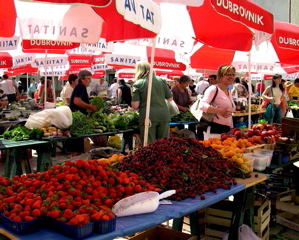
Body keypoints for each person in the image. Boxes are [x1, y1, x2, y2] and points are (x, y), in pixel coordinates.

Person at [132, 61, 173, 145]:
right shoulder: (161, 80)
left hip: (148, 116)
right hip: (163, 115)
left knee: (149, 145)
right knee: (163, 145)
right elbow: (170, 98)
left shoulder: (138, 83)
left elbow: (135, 105)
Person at [67, 70, 97, 156]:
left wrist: (89, 105)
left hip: (76, 118)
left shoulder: (79, 86)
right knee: (77, 145)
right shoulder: (81, 86)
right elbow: (76, 101)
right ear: (82, 79)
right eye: (88, 78)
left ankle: (74, 161)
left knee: (76, 145)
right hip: (77, 120)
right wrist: (90, 107)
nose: (90, 81)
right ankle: (75, 162)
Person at [198, 64, 236, 134]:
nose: (231, 76)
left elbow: (228, 113)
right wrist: (219, 111)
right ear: (220, 76)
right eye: (228, 74)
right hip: (215, 128)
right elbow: (202, 105)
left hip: (226, 129)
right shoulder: (213, 89)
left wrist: (231, 127)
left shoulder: (228, 92)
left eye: (233, 74)